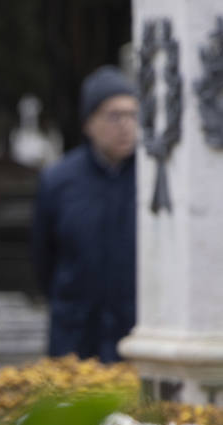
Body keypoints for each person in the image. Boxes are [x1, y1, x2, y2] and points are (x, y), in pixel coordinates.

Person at [31, 65, 139, 363]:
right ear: (88, 122)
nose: (126, 125)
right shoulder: (59, 180)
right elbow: (43, 259)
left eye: (133, 115)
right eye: (114, 116)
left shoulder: (154, 178)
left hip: (135, 335)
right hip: (76, 337)